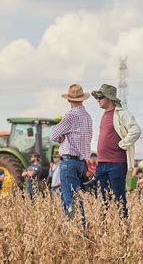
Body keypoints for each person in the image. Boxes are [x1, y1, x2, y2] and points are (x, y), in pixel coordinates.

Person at [92, 84, 141, 219]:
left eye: (100, 97)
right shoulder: (103, 115)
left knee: (119, 198)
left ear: (109, 98)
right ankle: (106, 227)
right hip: (102, 163)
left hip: (116, 163)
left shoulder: (122, 114)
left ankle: (122, 227)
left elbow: (136, 131)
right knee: (103, 199)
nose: (98, 99)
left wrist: (123, 144)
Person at [50, 84, 92, 228]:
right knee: (78, 198)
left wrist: (62, 138)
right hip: (81, 162)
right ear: (82, 99)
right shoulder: (87, 117)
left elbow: (53, 135)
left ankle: (73, 230)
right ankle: (82, 226)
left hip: (68, 161)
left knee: (69, 199)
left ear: (69, 100)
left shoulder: (70, 116)